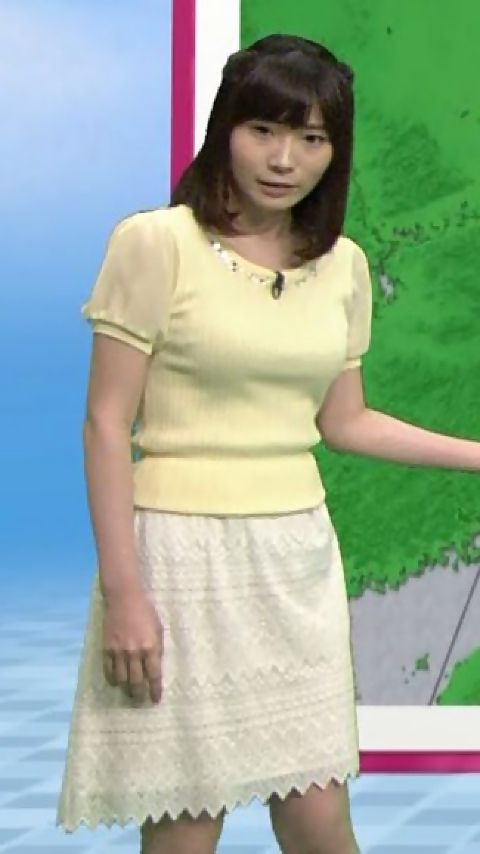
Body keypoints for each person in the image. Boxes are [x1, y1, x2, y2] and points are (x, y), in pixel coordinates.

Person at [55, 32, 375, 854]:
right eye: (263, 130)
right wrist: (125, 595)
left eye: (312, 138)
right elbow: (105, 424)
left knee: (319, 819)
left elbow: (345, 422)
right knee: (186, 826)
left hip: (297, 558)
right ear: (225, 128)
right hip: (180, 559)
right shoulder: (155, 243)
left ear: (334, 152)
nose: (285, 159)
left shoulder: (343, 266)